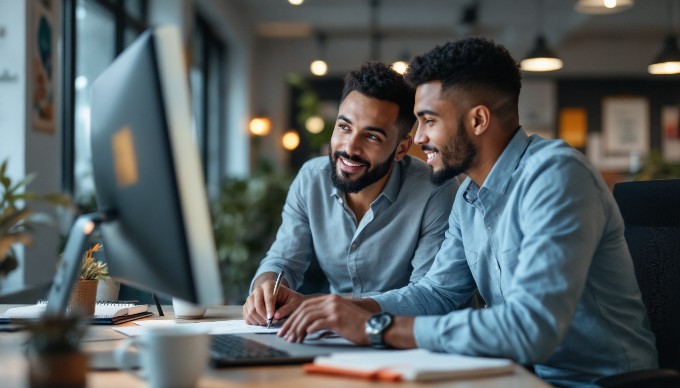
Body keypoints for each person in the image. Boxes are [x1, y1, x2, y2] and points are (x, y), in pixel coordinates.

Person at [277, 38, 658, 386]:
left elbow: (531, 328)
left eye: (429, 120)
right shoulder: (467, 197)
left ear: (477, 120)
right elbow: (437, 292)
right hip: (521, 377)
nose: (420, 138)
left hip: (595, 383)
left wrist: (378, 328)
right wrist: (343, 308)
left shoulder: (557, 175)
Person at [243, 62, 458, 326]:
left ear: (401, 149)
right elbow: (283, 260)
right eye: (344, 127)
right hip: (333, 335)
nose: (350, 148)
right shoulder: (310, 179)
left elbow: (430, 296)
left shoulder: (435, 189)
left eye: (372, 137)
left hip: (406, 340)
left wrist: (335, 308)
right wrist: (266, 287)